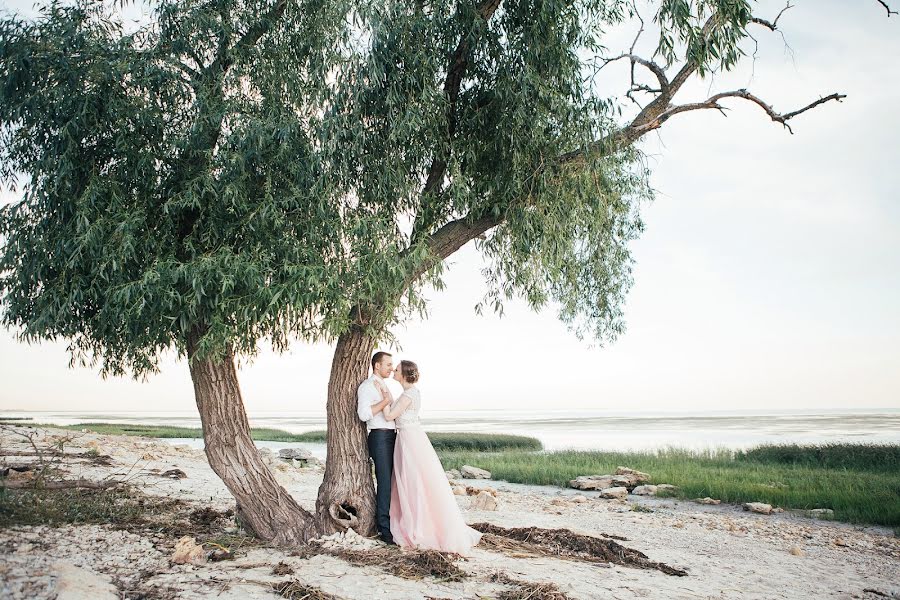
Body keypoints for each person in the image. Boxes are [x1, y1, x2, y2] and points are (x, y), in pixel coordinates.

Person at [381, 360, 482, 554]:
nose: (394, 370)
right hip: (412, 437)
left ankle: (418, 524)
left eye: (397, 369)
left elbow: (389, 416)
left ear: (404, 374)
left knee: (413, 480)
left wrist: (384, 398)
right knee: (416, 479)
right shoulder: (412, 393)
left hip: (409, 440)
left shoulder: (408, 395)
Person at [357, 351, 397, 544]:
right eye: (388, 364)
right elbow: (364, 414)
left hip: (391, 436)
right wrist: (385, 402)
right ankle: (384, 529)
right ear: (377, 366)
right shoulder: (366, 386)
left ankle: (393, 523)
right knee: (384, 483)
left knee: (393, 482)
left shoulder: (383, 385)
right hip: (379, 437)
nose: (391, 368)